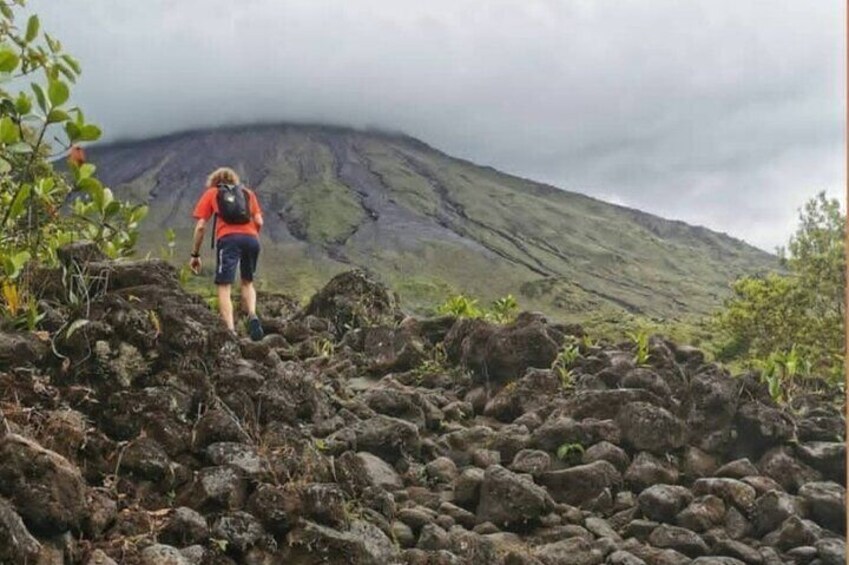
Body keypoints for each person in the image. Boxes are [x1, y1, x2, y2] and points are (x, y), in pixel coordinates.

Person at [189, 167, 265, 341]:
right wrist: (251, 237)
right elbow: (259, 220)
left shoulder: (212, 193)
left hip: (228, 240)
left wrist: (195, 254)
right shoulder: (247, 193)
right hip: (252, 239)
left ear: (214, 181)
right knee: (248, 282)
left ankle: (230, 332)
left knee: (224, 286)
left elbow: (201, 226)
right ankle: (252, 314)